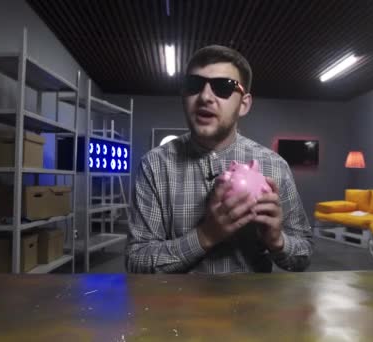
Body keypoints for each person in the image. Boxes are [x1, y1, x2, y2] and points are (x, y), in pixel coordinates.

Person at [125, 45, 313, 274]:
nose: (205, 97)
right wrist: (206, 235)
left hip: (252, 308)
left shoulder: (274, 166)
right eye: (194, 85)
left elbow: (304, 254)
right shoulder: (154, 166)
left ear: (244, 104)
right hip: (178, 307)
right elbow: (137, 262)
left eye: (223, 87)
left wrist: (277, 241)